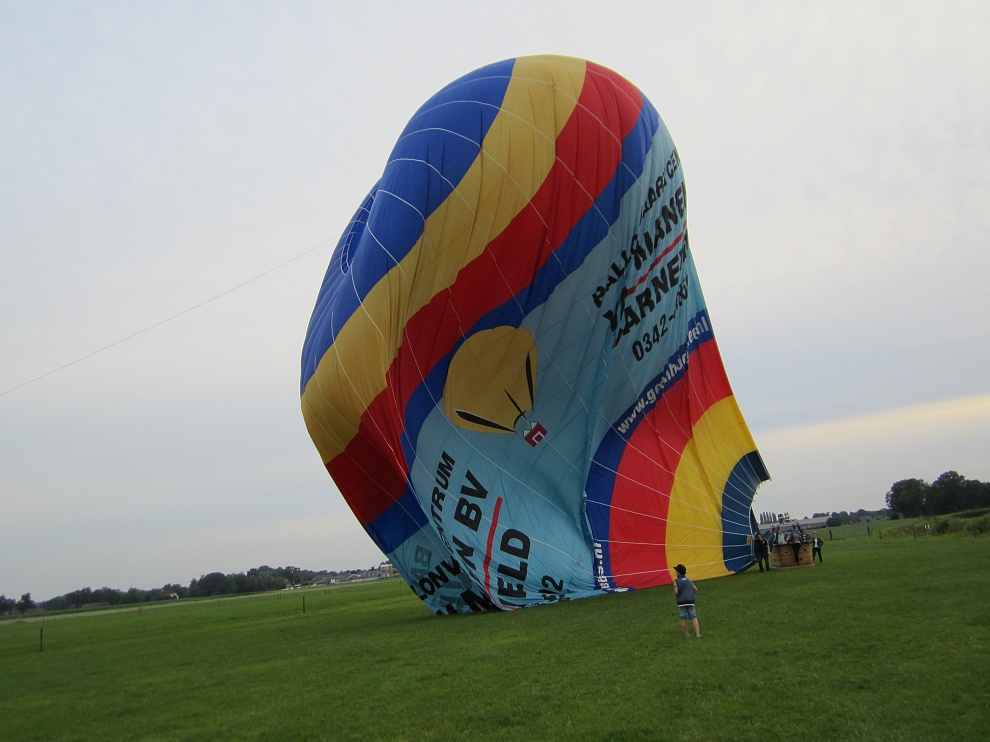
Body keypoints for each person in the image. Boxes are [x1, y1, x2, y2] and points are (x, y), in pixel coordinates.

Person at [673, 564, 700, 638]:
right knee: (694, 616)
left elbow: (676, 592)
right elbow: (695, 589)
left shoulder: (676, 581)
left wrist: (677, 596)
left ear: (678, 572)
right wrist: (691, 594)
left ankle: (686, 634)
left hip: (681, 602)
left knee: (683, 617)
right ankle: (698, 633)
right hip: (690, 601)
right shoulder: (689, 580)